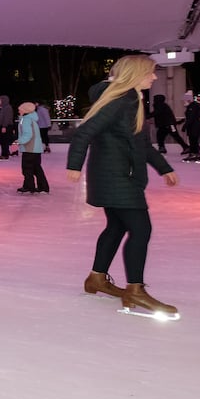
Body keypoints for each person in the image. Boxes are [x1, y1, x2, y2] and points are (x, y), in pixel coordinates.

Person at [66, 55, 180, 317]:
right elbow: (85, 131)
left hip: (114, 175)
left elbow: (140, 143)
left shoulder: (130, 99)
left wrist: (165, 168)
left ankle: (96, 278)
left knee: (117, 226)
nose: (153, 77)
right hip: (118, 178)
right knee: (141, 229)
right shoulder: (124, 99)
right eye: (150, 72)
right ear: (135, 73)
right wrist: (74, 165)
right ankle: (135, 290)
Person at [15, 101, 50, 193]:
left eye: (20, 109)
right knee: (36, 168)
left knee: (27, 168)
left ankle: (29, 186)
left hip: (30, 148)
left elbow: (28, 134)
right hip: (35, 149)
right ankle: (43, 187)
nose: (19, 110)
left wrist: (18, 141)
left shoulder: (26, 120)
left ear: (25, 110)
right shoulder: (30, 119)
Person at [181, 92, 200, 163]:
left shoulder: (193, 106)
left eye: (185, 100)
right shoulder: (192, 106)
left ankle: (194, 154)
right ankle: (195, 154)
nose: (183, 102)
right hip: (193, 126)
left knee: (193, 140)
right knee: (193, 140)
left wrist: (185, 125)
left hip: (194, 126)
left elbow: (191, 117)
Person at [0, 95, 16, 159]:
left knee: (4, 141)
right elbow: (1, 118)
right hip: (4, 126)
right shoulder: (3, 108)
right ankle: (6, 152)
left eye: (0, 100)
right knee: (3, 141)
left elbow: (7, 118)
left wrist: (4, 126)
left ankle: (5, 155)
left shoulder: (7, 108)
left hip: (6, 126)